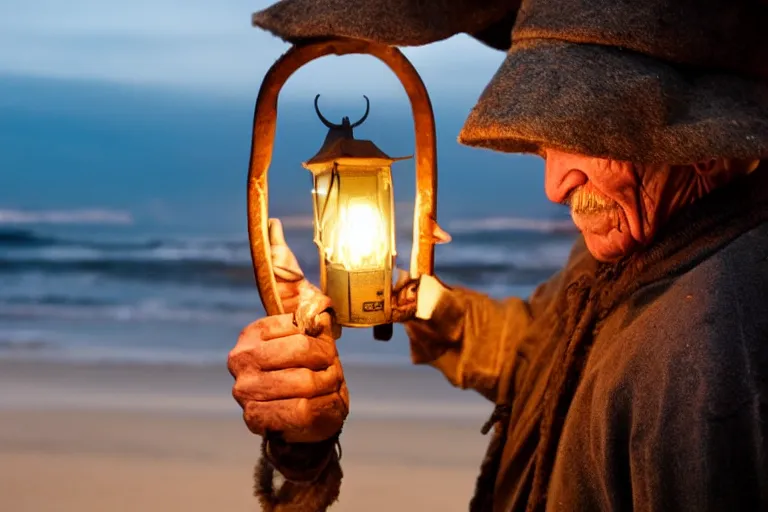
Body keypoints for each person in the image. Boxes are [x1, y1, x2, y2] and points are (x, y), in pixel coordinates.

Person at [228, 0, 768, 510]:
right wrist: (424, 302)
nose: (554, 186)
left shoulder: (712, 342)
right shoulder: (639, 256)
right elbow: (543, 356)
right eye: (545, 141)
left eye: (588, 135)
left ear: (710, 146)